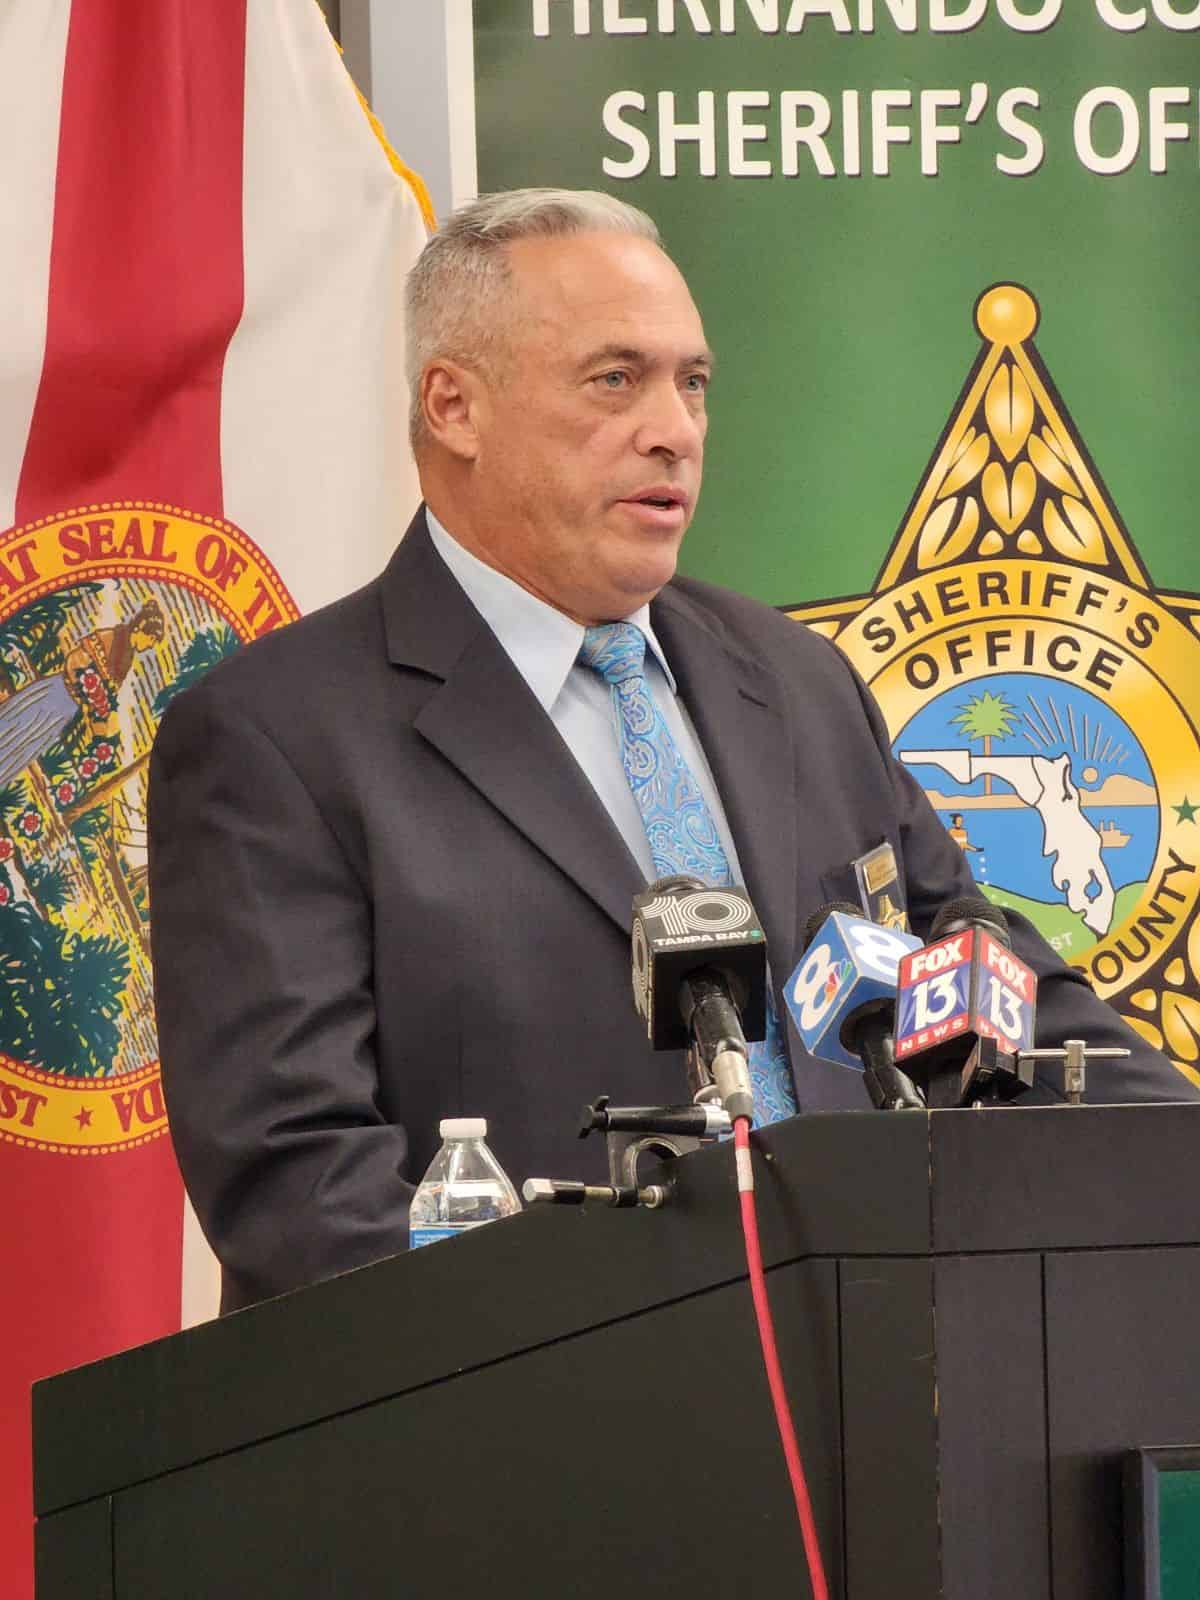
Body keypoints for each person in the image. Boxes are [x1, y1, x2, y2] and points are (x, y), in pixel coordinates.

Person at [147, 189, 1195, 1314]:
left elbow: (982, 983)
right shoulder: (276, 737)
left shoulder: (795, 679)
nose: (674, 428)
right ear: (454, 405)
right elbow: (299, 1183)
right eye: (616, 379)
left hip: (877, 1381)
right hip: (539, 1432)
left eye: (692, 383)